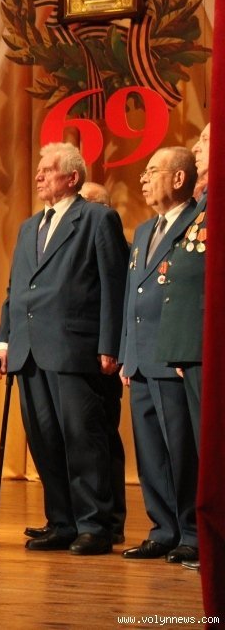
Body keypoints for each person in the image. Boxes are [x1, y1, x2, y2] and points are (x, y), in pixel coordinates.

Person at [0, 142, 128, 556]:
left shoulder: (97, 219)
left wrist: (110, 344)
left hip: (75, 347)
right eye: (39, 169)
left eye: (48, 169)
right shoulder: (30, 226)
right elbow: (17, 289)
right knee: (45, 439)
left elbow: (113, 285)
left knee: (82, 439)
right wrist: (5, 340)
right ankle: (62, 522)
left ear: (72, 177)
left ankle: (94, 525)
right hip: (29, 350)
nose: (38, 176)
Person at [119, 147, 199, 564]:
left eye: (152, 171)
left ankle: (191, 531)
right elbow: (132, 295)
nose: (143, 179)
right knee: (150, 451)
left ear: (179, 178)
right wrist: (124, 353)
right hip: (139, 359)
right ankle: (162, 529)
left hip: (171, 356)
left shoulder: (197, 222)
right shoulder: (144, 229)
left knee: (180, 450)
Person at [158, 123, 212, 572]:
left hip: (207, 345)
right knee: (201, 448)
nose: (197, 146)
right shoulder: (204, 204)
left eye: (208, 140)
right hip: (192, 347)